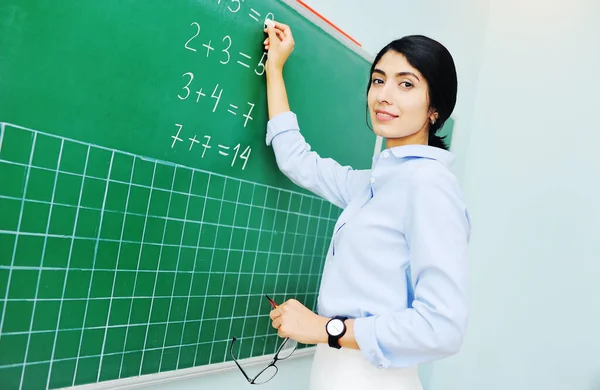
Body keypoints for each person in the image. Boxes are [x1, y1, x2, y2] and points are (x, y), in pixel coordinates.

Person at [262, 20, 471, 390]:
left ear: (434, 108)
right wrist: (275, 69)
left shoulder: (429, 186)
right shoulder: (374, 184)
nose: (384, 95)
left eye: (406, 84)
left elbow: (442, 328)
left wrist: (326, 327)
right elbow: (296, 160)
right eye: (378, 80)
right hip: (334, 372)